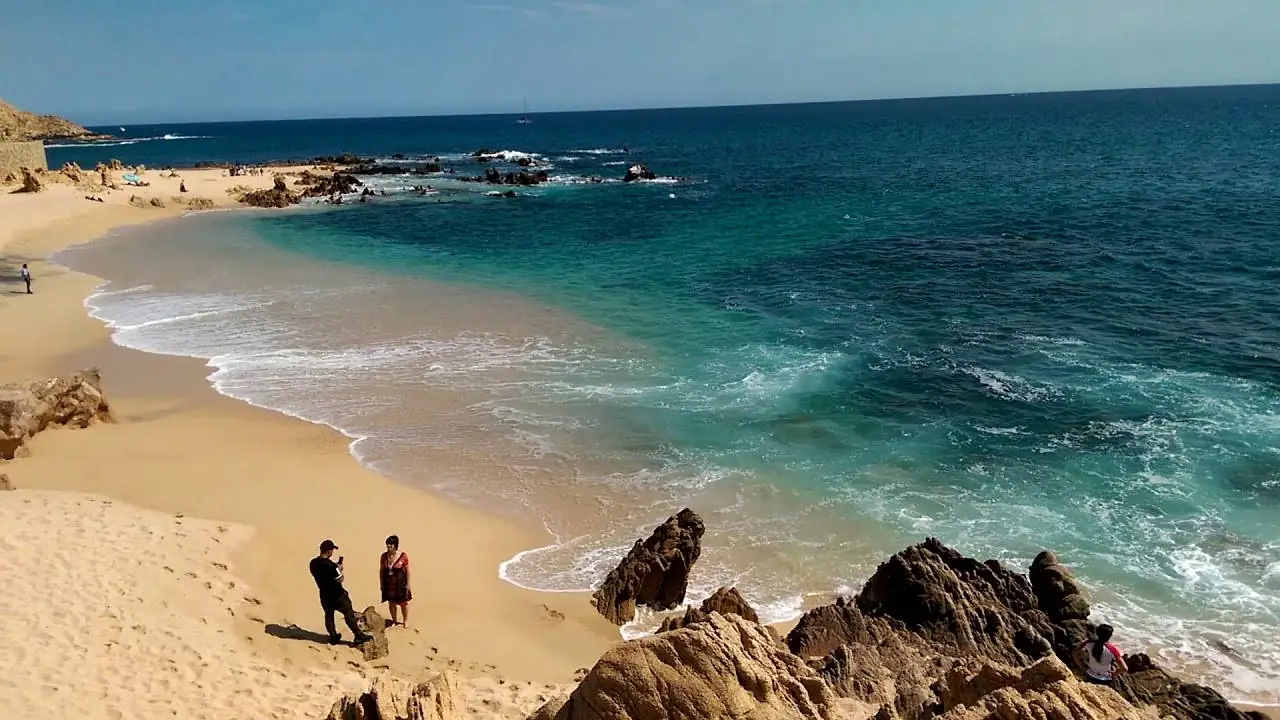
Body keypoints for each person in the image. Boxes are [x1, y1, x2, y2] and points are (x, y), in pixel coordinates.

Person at [309, 539, 372, 645]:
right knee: (348, 613)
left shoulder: (313, 563)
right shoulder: (332, 566)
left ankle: (333, 636)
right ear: (329, 551)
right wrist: (339, 569)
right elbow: (340, 579)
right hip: (337, 595)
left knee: (329, 616)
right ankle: (358, 635)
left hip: (324, 594)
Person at [379, 535, 412, 627]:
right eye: (388, 544)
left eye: (391, 544)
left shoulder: (403, 556)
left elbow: (407, 571)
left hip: (400, 583)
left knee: (403, 603)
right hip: (388, 584)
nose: (389, 546)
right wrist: (381, 583)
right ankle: (394, 620)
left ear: (395, 545)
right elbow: (381, 570)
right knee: (391, 602)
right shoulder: (384, 556)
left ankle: (405, 620)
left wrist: (408, 584)